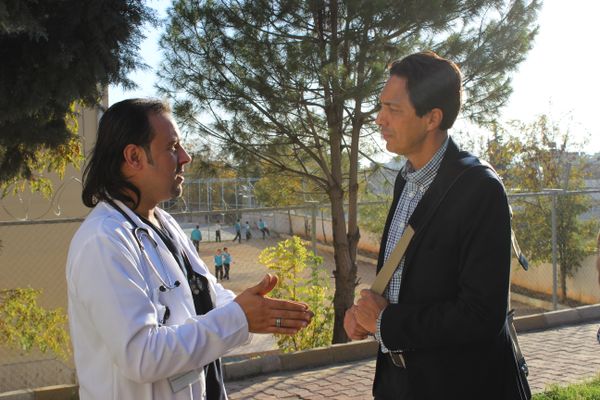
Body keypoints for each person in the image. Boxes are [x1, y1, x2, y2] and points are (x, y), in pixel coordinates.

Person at [67, 98, 313, 400]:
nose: (186, 157)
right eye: (172, 147)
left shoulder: (163, 222)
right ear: (134, 157)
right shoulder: (104, 242)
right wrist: (238, 317)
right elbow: (141, 355)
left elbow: (207, 298)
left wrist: (253, 309)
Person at [344, 52, 530, 399]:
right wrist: (366, 316)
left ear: (432, 118)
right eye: (381, 106)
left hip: (461, 385)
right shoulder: (405, 180)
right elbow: (411, 283)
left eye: (393, 109)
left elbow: (480, 315)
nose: (379, 119)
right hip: (400, 384)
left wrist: (386, 323)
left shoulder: (480, 189)